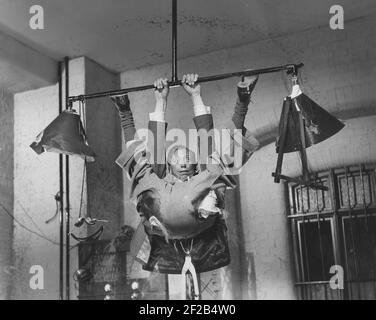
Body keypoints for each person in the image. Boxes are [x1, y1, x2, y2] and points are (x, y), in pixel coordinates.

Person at [111, 74, 259, 275]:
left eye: (187, 159)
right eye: (177, 159)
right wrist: (160, 100)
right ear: (169, 166)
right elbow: (143, 163)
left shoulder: (202, 174)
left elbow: (212, 154)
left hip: (200, 216)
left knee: (216, 164)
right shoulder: (160, 176)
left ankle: (242, 102)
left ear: (194, 165)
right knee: (145, 167)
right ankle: (125, 111)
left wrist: (196, 95)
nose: (182, 163)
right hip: (162, 219)